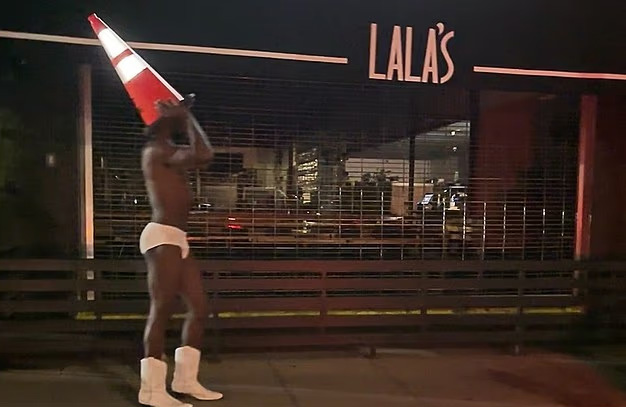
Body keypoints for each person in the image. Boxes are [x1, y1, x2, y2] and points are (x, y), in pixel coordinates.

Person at [137, 96, 223, 407]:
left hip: (177, 238)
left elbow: (202, 155)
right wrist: (185, 116)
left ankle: (185, 381)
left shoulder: (167, 150)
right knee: (161, 309)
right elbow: (204, 153)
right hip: (162, 236)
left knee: (199, 308)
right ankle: (151, 391)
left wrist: (183, 115)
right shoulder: (156, 150)